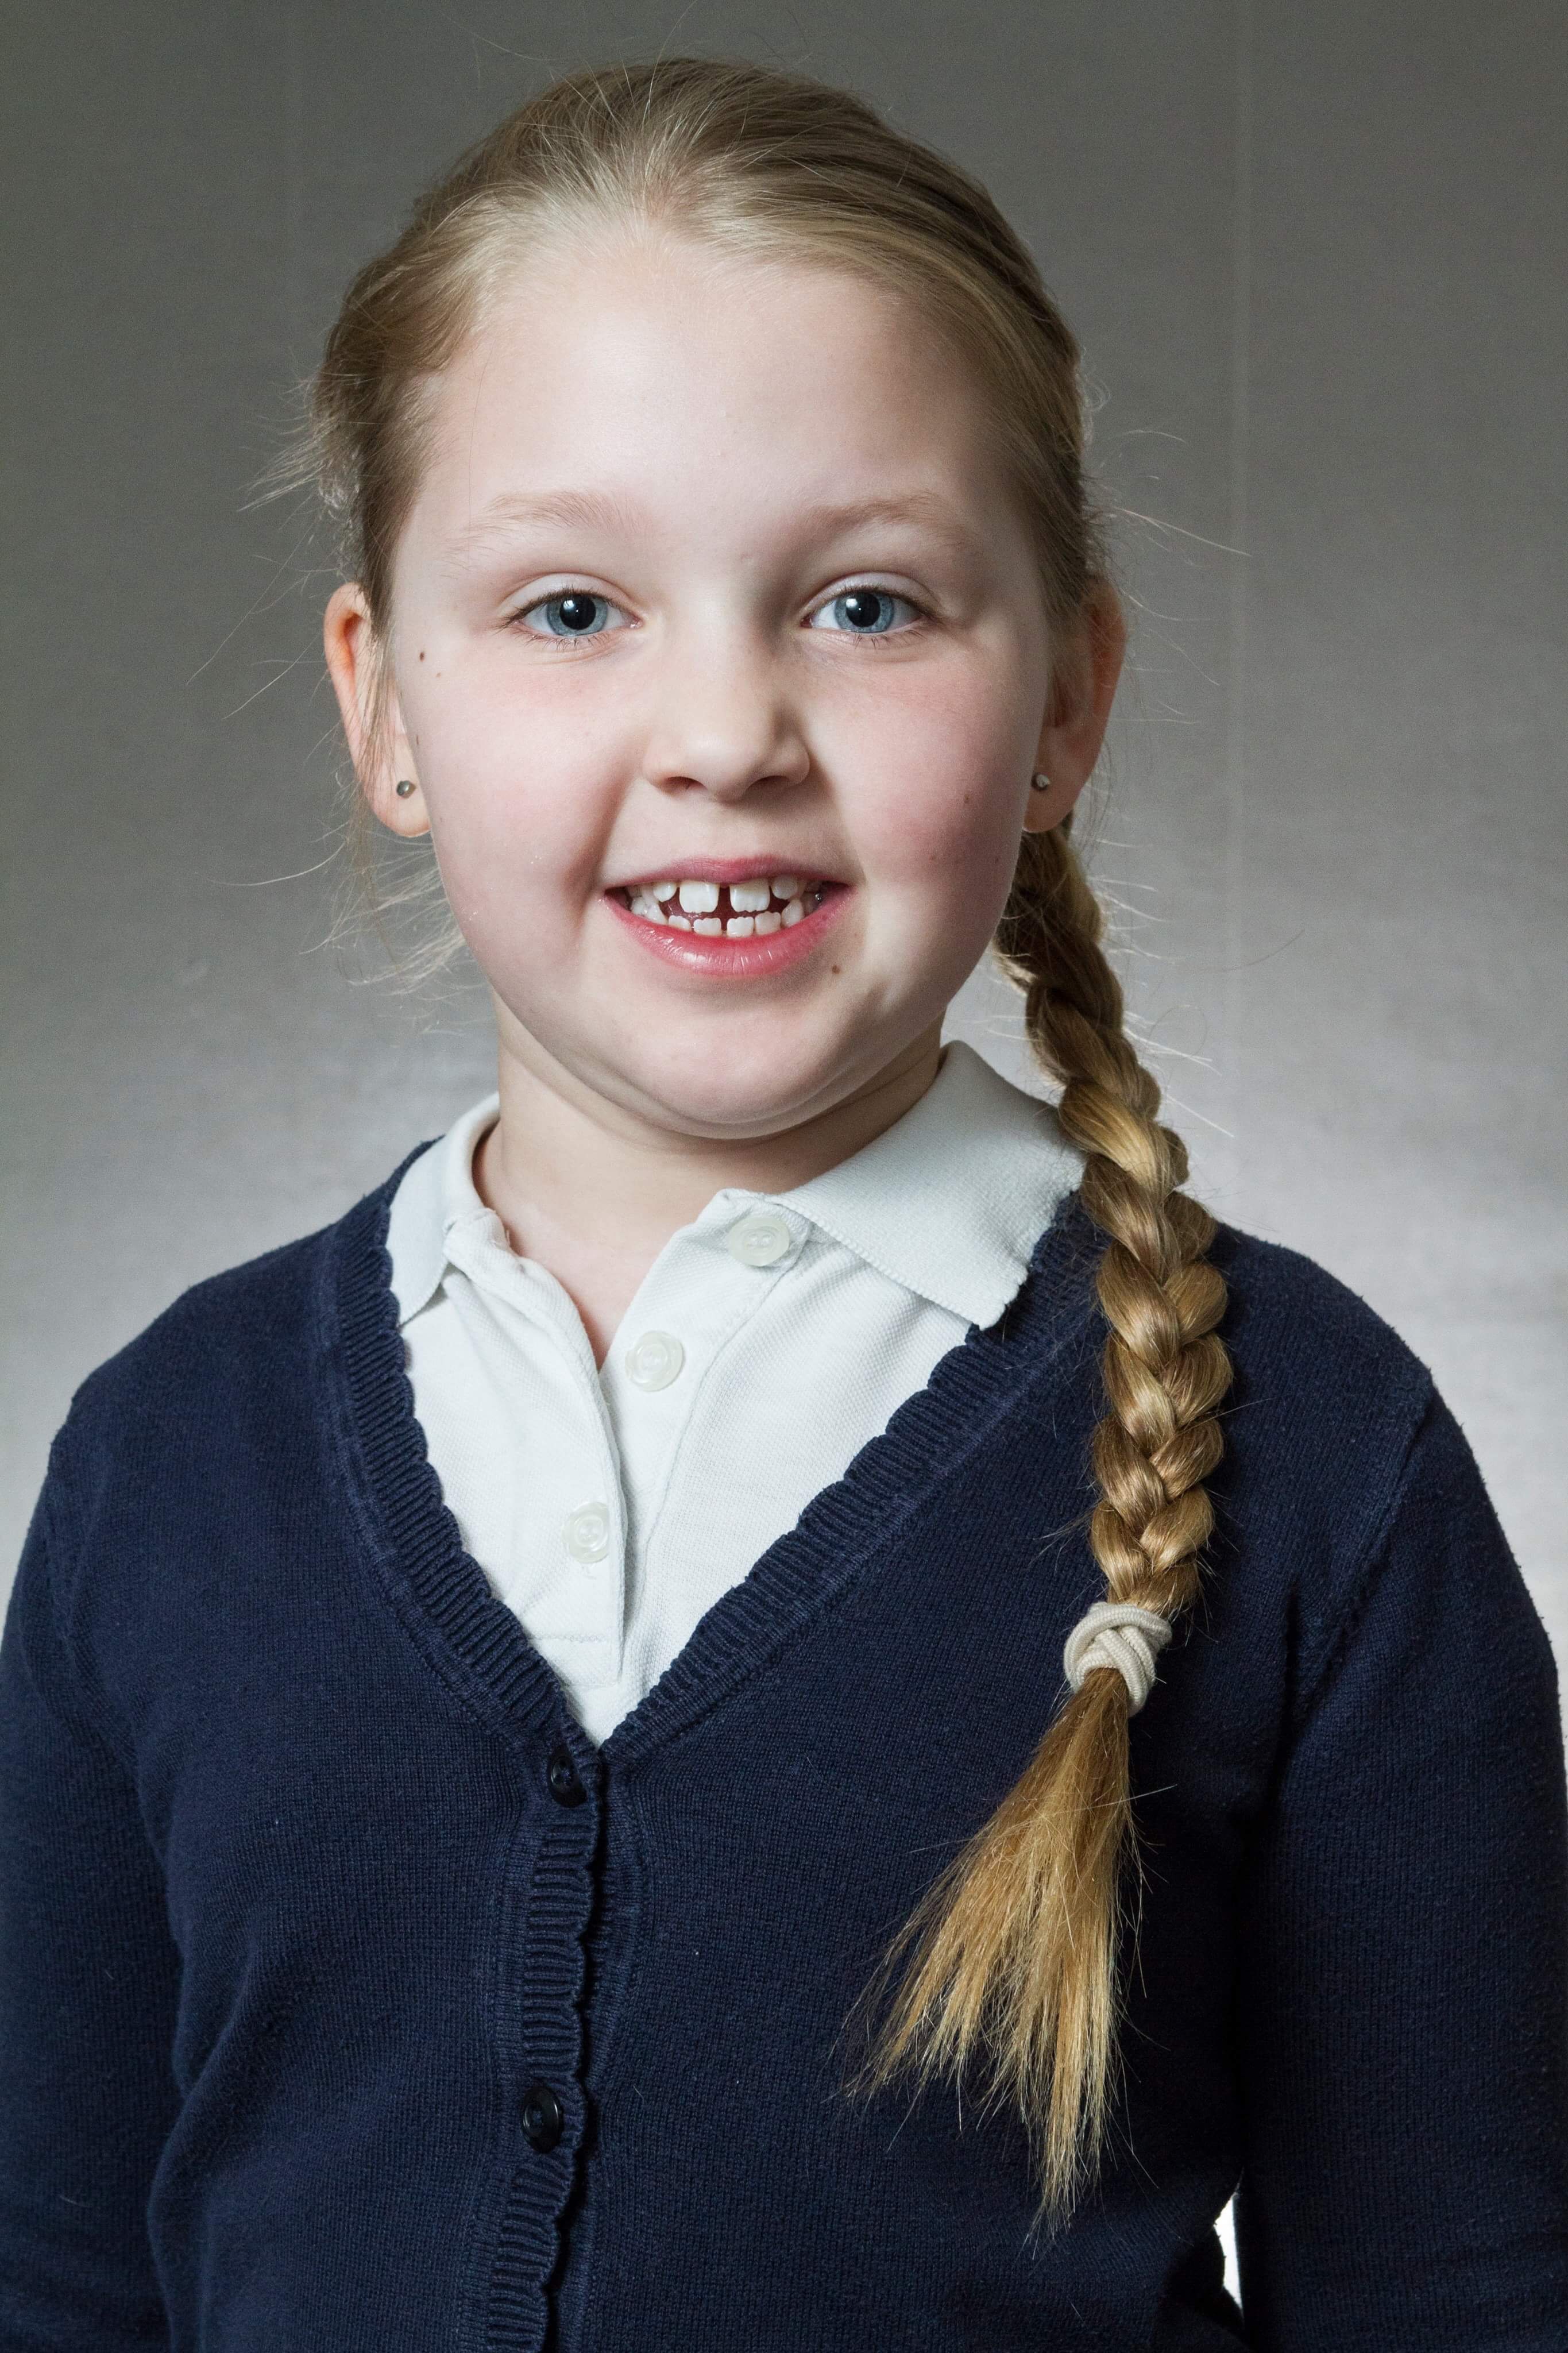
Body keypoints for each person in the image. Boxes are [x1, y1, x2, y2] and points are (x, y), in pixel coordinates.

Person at [1, 52, 1563, 2352]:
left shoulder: (1313, 1457)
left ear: (1064, 703)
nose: (724, 732)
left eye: (863, 604)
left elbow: (1464, 2294)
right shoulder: (168, 1457)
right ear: (384, 707)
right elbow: (60, 2280)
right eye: (569, 608)